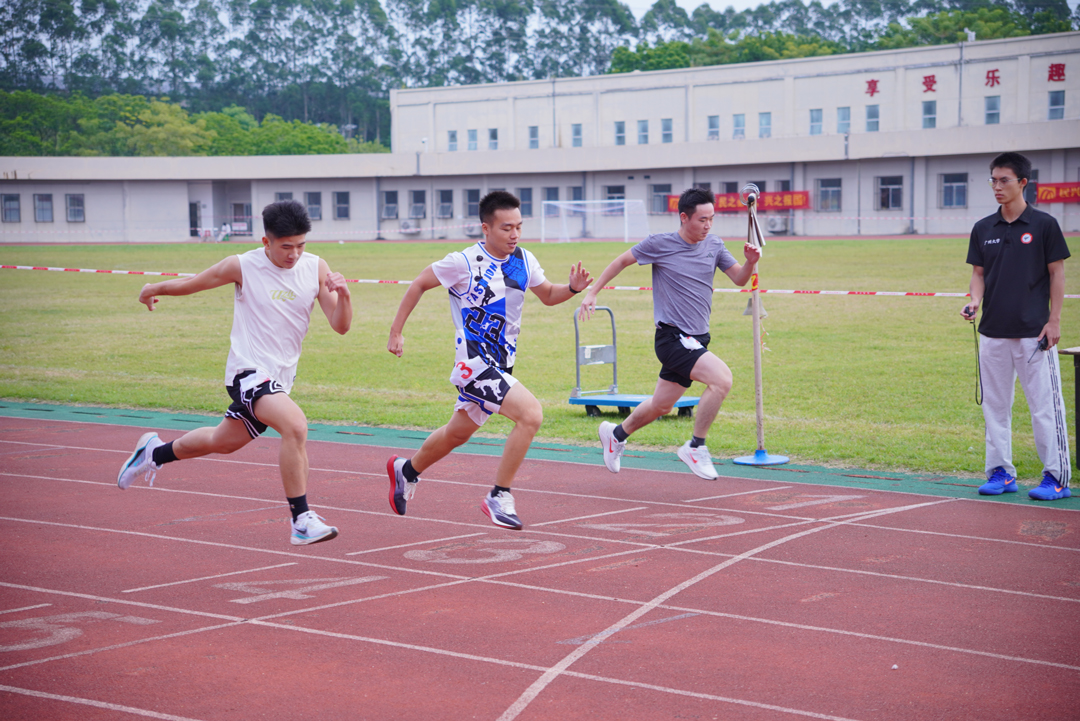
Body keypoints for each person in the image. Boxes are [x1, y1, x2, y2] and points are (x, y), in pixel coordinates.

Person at [117, 199, 353, 543]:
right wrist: (154, 288)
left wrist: (344, 296)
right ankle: (301, 520)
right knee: (295, 425)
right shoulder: (242, 266)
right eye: (286, 246)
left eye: (301, 245)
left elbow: (340, 326)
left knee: (221, 442)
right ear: (266, 242)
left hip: (280, 379)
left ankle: (153, 452)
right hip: (248, 372)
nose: (294, 254)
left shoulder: (316, 268)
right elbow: (196, 283)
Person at [385, 190, 591, 529]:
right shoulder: (462, 262)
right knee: (530, 415)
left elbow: (548, 295)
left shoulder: (524, 260)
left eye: (519, 227)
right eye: (506, 228)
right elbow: (419, 284)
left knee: (457, 434)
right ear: (486, 228)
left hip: (502, 364)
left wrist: (571, 288)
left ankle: (406, 471)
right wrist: (396, 331)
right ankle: (499, 494)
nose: (514, 235)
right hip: (474, 366)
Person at [578, 187, 761, 480]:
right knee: (722, 379)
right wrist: (593, 293)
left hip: (698, 338)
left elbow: (739, 279)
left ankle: (616, 434)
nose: (708, 225)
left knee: (662, 405)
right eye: (702, 219)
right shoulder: (659, 244)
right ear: (684, 217)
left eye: (711, 219)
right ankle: (695, 446)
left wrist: (751, 261)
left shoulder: (714, 245)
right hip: (672, 337)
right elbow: (621, 261)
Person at [962, 152, 1072, 501]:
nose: (997, 186)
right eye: (993, 180)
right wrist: (974, 301)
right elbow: (978, 275)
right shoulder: (983, 228)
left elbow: (1057, 273)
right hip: (993, 333)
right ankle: (1001, 472)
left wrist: (1054, 320)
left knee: (1044, 408)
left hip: (1034, 334)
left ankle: (1056, 477)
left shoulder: (1044, 225)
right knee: (994, 407)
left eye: (1004, 180)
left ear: (1023, 182)